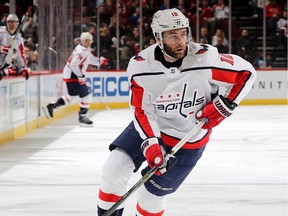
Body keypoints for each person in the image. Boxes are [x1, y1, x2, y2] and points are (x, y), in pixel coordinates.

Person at [97, 8, 256, 215]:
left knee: (150, 196)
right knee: (113, 170)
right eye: (173, 36)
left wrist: (224, 106)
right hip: (151, 126)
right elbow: (142, 111)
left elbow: (246, 73)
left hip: (187, 140)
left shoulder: (204, 60)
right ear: (158, 38)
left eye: (183, 34)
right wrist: (152, 143)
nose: (181, 41)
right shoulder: (141, 67)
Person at [43, 32, 109, 126]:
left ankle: (53, 105)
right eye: (90, 40)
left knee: (73, 97)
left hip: (71, 75)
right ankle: (83, 117)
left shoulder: (83, 49)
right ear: (85, 41)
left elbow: (89, 58)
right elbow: (74, 65)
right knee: (86, 97)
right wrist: (80, 76)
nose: (91, 42)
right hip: (73, 76)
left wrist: (100, 61)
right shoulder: (81, 51)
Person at [0, 14, 30, 81]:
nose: (12, 24)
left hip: (5, 66)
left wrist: (23, 68)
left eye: (14, 22)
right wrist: (2, 49)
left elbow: (20, 55)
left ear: (17, 24)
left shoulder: (19, 38)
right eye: (10, 22)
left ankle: (4, 71)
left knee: (13, 72)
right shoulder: (1, 32)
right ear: (7, 23)